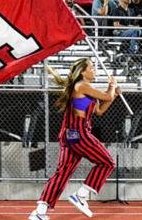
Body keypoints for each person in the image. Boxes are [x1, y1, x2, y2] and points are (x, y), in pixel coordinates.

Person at [30, 59, 118, 220]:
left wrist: (112, 95)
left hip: (71, 135)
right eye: (92, 67)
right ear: (83, 72)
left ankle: (39, 212)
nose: (95, 70)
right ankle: (82, 194)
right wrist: (111, 87)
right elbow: (106, 95)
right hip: (78, 133)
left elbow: (99, 111)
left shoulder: (86, 89)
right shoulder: (81, 86)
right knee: (107, 162)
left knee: (62, 173)